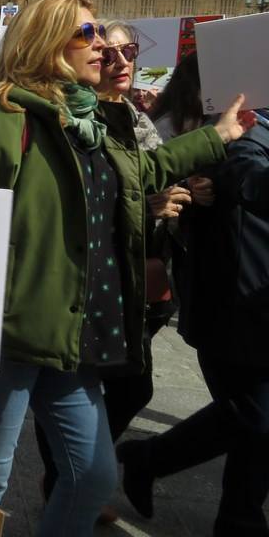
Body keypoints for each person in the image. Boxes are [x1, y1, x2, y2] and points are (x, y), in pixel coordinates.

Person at [0, 0, 248, 536]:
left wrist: (219, 135)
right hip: (7, 340)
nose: (102, 45)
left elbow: (142, 171)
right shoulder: (7, 124)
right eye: (87, 34)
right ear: (46, 46)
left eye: (99, 33)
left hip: (72, 334)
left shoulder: (87, 123)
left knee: (93, 476)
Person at [118, 108, 269, 535]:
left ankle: (149, 460)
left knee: (250, 417)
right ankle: (238, 521)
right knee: (255, 419)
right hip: (235, 310)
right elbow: (249, 179)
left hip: (253, 305)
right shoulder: (244, 129)